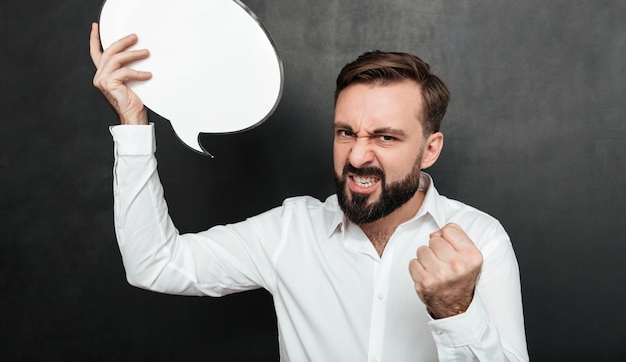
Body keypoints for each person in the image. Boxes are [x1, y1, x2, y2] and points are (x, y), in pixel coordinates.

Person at [90, 22, 529, 361]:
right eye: (345, 132)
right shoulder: (290, 231)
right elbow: (154, 265)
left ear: (429, 149)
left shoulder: (479, 240)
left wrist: (455, 311)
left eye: (385, 137)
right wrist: (133, 123)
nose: (358, 157)